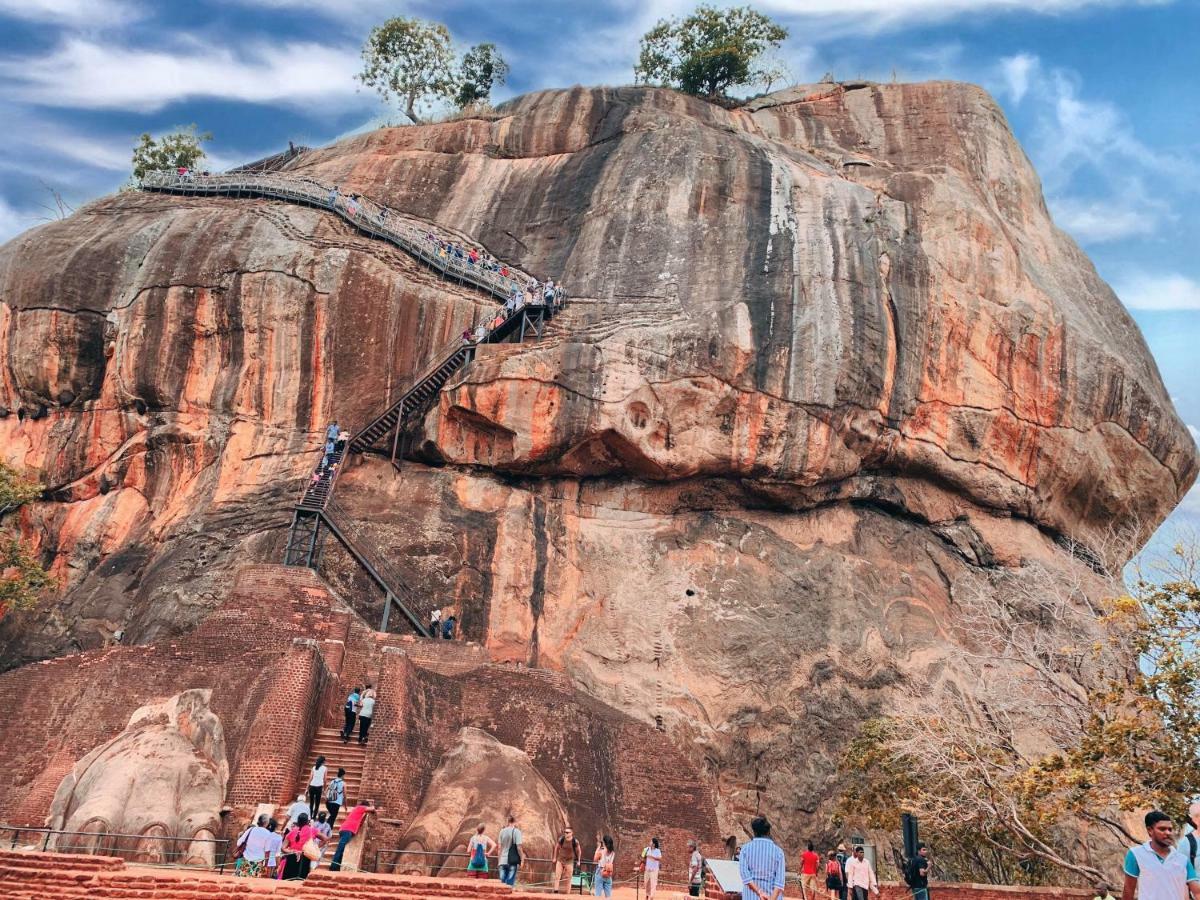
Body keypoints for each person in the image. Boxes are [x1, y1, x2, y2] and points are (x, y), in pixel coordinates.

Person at [1122, 809, 1200, 900]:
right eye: (1162, 829)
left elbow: (1197, 892)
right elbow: (1128, 890)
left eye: (1170, 829)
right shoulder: (1136, 854)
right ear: (1150, 830)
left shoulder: (1182, 859)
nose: (1168, 833)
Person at [739, 817, 786, 900]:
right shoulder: (779, 852)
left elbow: (745, 876)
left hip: (750, 896)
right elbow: (779, 881)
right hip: (772, 895)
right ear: (768, 832)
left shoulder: (745, 849)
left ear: (754, 831)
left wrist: (759, 892)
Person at [329, 800, 377, 872]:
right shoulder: (360, 807)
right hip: (347, 830)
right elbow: (372, 809)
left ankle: (337, 866)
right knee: (340, 849)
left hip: (346, 829)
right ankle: (333, 866)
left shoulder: (358, 811)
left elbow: (361, 822)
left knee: (342, 849)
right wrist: (373, 807)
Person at [279, 811, 323, 881]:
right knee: (301, 881)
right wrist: (316, 847)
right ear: (307, 822)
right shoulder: (312, 830)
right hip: (305, 858)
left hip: (291, 858)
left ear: (298, 822)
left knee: (288, 881)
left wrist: (292, 851)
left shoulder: (292, 832)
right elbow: (325, 839)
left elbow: (283, 848)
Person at [553, 827, 581, 892]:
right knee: (557, 876)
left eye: (568, 832)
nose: (566, 834)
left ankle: (568, 894)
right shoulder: (561, 839)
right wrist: (554, 857)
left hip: (569, 861)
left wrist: (579, 860)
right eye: (565, 832)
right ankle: (555, 892)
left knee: (569, 878)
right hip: (560, 859)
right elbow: (556, 848)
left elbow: (579, 851)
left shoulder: (575, 841)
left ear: (572, 833)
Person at [498, 814, 523, 887]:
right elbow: (519, 847)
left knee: (502, 887)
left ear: (508, 821)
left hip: (502, 861)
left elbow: (499, 848)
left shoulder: (501, 831)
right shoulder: (517, 832)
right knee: (509, 887)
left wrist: (499, 861)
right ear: (514, 822)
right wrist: (522, 859)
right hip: (512, 861)